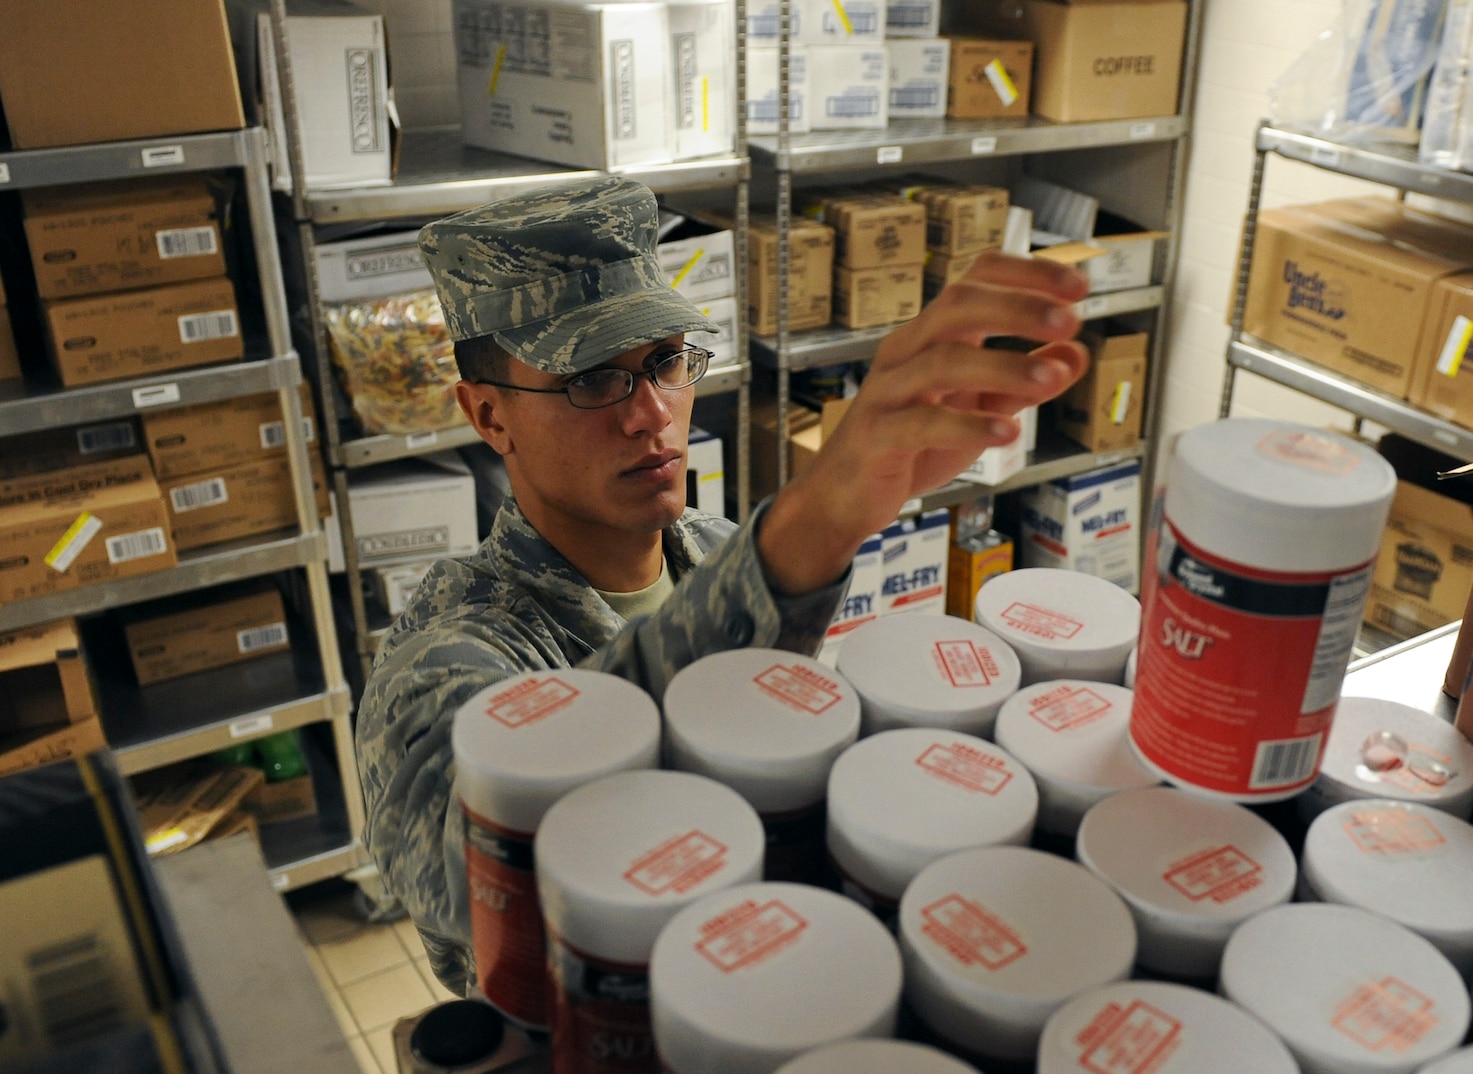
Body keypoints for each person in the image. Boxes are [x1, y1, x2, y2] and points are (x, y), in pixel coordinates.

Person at [355, 178, 1090, 992]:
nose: (653, 416)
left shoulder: (712, 547)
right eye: (593, 380)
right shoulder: (445, 659)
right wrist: (807, 531)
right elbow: (481, 867)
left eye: (665, 362)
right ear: (489, 416)